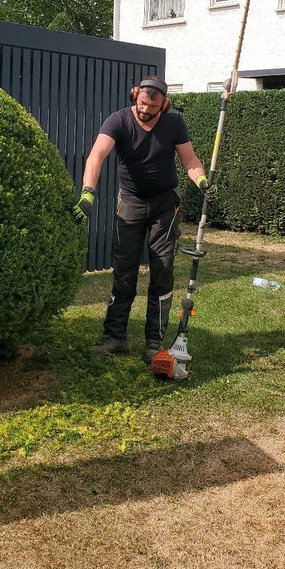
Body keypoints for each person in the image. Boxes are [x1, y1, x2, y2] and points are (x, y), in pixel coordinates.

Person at [72, 77, 209, 364]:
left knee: (162, 271)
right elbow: (97, 155)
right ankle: (115, 338)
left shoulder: (174, 124)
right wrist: (88, 192)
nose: (146, 110)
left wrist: (201, 180)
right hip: (130, 203)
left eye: (153, 106)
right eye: (142, 103)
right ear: (135, 96)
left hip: (164, 205)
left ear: (165, 105)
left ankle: (153, 342)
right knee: (124, 272)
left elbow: (190, 160)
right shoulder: (118, 121)